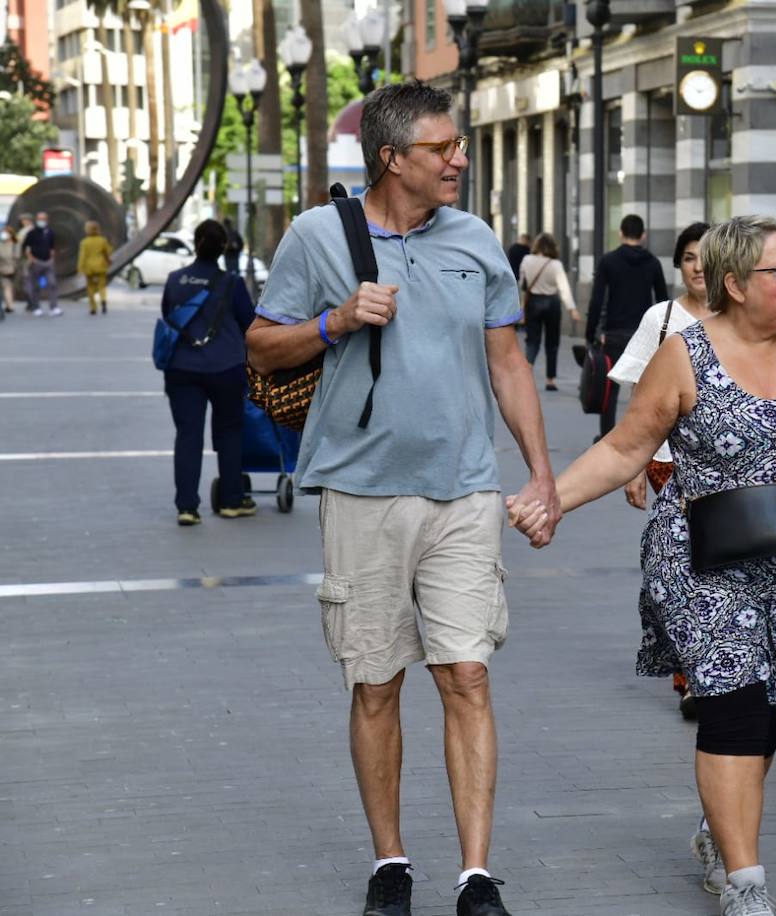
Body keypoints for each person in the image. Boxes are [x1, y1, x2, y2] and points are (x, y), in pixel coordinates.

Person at [245, 80, 558, 916]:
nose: (459, 159)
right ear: (391, 158)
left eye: (459, 145)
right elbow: (263, 347)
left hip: (464, 490)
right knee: (377, 682)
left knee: (467, 674)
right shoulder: (318, 236)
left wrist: (541, 475)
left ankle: (476, 875)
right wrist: (335, 322)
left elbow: (508, 364)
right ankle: (391, 862)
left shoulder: (476, 239)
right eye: (442, 148)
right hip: (361, 493)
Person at [509, 215, 776, 916]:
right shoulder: (685, 354)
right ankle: (746, 884)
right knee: (733, 707)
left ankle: (719, 827)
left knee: (769, 713)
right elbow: (624, 448)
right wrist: (552, 502)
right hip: (703, 561)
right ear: (734, 283)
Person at [607, 220, 711, 717]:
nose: (698, 267)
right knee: (683, 567)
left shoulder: (742, 318)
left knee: (715, 567)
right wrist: (632, 466)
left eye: (707, 257)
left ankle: (711, 670)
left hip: (725, 469)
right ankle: (692, 675)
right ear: (678, 264)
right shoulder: (662, 318)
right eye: (689, 258)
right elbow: (637, 396)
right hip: (667, 462)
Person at [160, 220, 257, 526]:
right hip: (225, 368)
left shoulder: (175, 280)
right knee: (229, 433)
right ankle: (231, 501)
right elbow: (250, 324)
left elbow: (168, 316)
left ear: (196, 243)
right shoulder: (232, 283)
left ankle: (187, 507)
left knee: (188, 434)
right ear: (223, 247)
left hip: (182, 367)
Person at [586, 213, 668, 440]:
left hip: (614, 333)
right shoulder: (653, 263)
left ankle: (607, 437)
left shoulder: (608, 261)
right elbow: (663, 300)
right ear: (643, 235)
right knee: (642, 390)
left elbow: (596, 300)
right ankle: (638, 439)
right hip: (645, 335)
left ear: (621, 233)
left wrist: (591, 333)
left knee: (610, 390)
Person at [518, 232, 580, 390]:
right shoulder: (555, 264)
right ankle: (550, 380)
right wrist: (571, 309)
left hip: (533, 302)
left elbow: (522, 285)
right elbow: (564, 288)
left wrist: (521, 307)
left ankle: (526, 372)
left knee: (532, 340)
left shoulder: (526, 260)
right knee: (552, 343)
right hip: (552, 303)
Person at [22, 210, 60, 316]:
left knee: (52, 283)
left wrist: (52, 258)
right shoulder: (31, 233)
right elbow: (25, 247)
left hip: (48, 262)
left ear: (47, 220)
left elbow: (52, 246)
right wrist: (31, 258)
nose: (41, 221)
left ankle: (54, 307)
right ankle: (36, 307)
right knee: (36, 286)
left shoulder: (50, 232)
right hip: (36, 262)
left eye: (43, 219)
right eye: (39, 219)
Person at [78, 221, 114, 316]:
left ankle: (93, 308)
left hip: (89, 267)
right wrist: (108, 261)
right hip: (100, 266)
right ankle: (103, 300)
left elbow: (82, 256)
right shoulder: (102, 240)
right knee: (102, 286)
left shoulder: (84, 242)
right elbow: (108, 252)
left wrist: (80, 268)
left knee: (90, 288)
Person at [0, 225, 20, 315]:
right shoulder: (15, 243)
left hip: (5, 269)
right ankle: (9, 305)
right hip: (12, 268)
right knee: (8, 287)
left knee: (7, 287)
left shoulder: (6, 244)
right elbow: (17, 256)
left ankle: (10, 306)